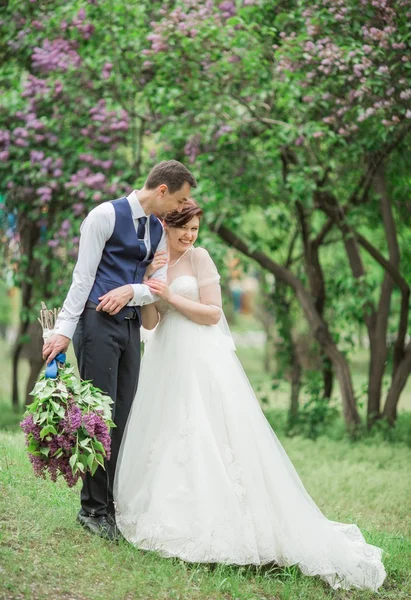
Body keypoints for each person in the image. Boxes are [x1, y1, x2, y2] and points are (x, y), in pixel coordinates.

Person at [114, 200, 386, 591]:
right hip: (166, 356)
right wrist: (151, 290)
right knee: (172, 431)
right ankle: (175, 514)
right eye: (183, 229)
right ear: (164, 224)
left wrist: (171, 297)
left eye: (194, 229)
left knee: (212, 431)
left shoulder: (201, 258)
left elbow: (213, 313)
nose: (190, 236)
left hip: (202, 356)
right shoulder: (153, 262)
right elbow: (153, 322)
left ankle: (232, 521)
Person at [42, 160, 197, 540]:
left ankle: (111, 504)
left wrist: (133, 290)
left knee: (125, 415)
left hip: (130, 328)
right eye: (179, 199)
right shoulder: (103, 216)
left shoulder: (157, 230)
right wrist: (63, 330)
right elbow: (82, 277)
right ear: (161, 190)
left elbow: (157, 282)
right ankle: (92, 510)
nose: (180, 208)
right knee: (99, 414)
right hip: (95, 323)